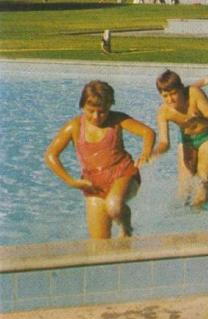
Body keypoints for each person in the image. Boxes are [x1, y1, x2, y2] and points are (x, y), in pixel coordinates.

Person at [43, 80, 154, 239]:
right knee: (99, 245)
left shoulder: (117, 120)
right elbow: (50, 155)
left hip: (123, 174)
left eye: (102, 111)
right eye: (91, 111)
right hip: (93, 184)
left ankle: (126, 229)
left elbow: (148, 132)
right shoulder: (75, 126)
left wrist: (146, 152)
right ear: (82, 106)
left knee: (114, 206)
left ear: (110, 106)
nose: (96, 116)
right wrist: (71, 181)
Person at [154, 70, 208, 207]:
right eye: (165, 96)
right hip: (187, 139)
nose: (170, 100)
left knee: (202, 183)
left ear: (181, 89)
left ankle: (199, 221)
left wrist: (198, 119)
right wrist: (151, 154)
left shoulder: (194, 93)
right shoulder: (163, 112)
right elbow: (164, 143)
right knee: (184, 191)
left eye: (173, 94)